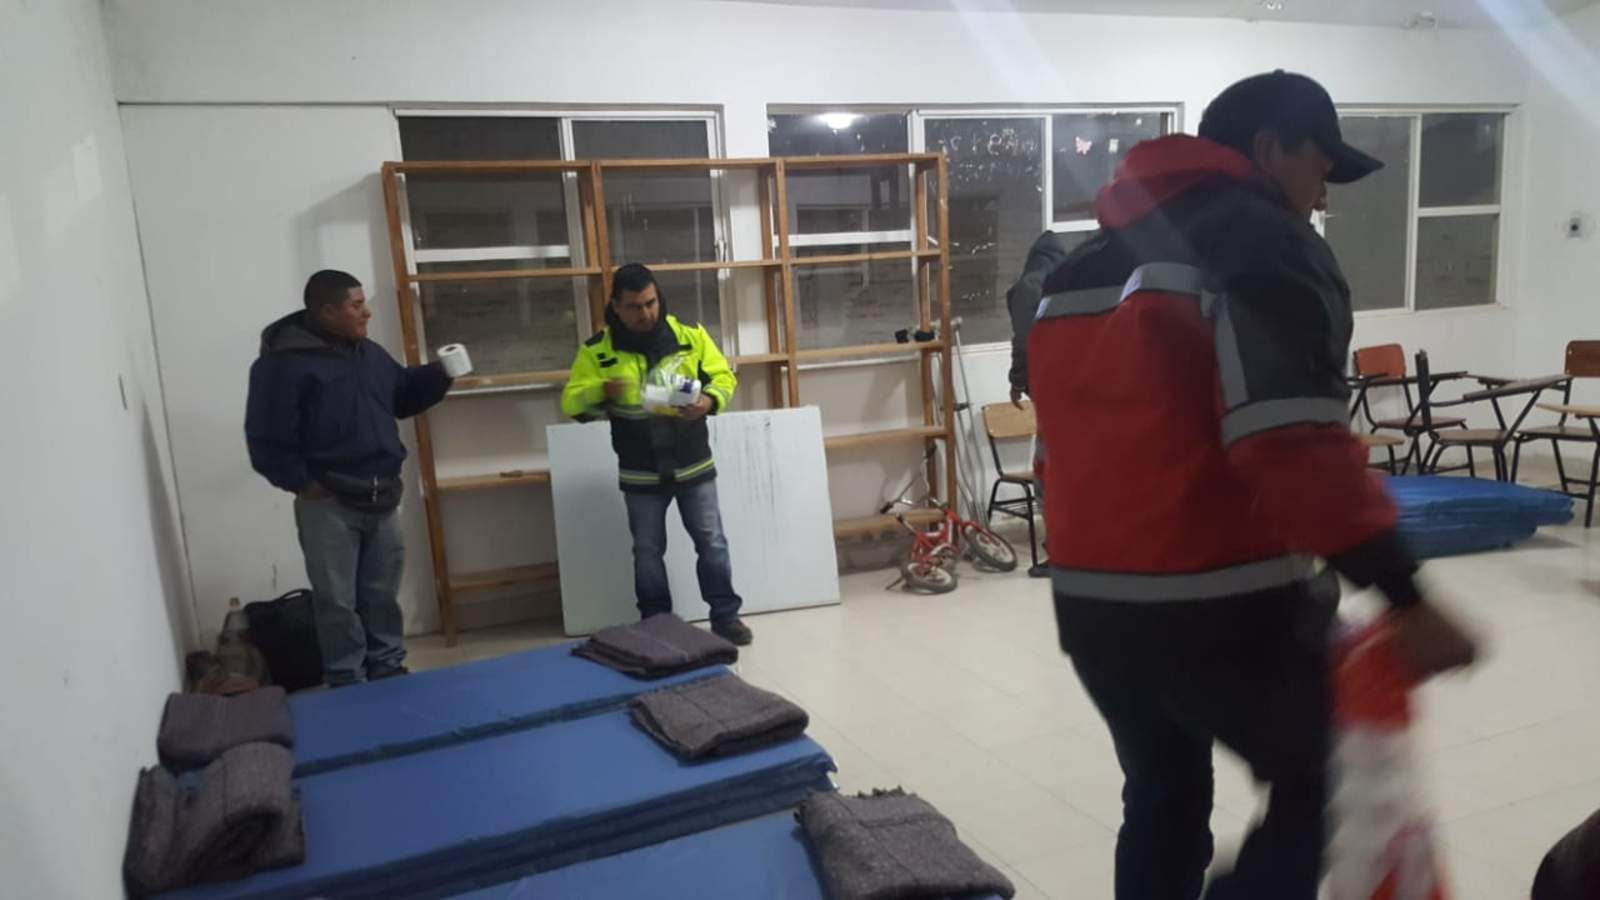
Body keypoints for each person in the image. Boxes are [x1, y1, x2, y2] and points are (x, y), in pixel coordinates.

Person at [1027, 71, 1480, 900]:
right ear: (1270, 147)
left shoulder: (1079, 268)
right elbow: (1292, 441)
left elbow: (1057, 450)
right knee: (1335, 784)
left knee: (1162, 799)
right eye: (1321, 170)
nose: (1322, 198)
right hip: (1219, 600)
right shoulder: (1264, 241)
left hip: (1093, 610)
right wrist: (1406, 594)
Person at [245, 269, 453, 687]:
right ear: (327, 312)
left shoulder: (368, 354)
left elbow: (401, 395)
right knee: (337, 601)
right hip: (328, 502)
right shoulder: (282, 365)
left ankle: (388, 667)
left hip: (382, 495)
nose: (367, 313)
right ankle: (346, 678)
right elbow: (265, 436)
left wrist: (441, 373)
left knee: (381, 594)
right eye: (357, 306)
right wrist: (303, 483)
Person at [560, 263, 752, 645]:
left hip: (693, 463)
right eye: (634, 307)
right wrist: (601, 390)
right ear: (616, 306)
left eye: (650, 303)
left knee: (712, 542)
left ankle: (726, 618)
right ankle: (657, 625)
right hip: (640, 471)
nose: (645, 313)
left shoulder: (690, 336)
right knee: (647, 552)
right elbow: (571, 402)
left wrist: (709, 400)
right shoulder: (597, 352)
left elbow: (723, 377)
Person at [1004, 230, 1070, 578]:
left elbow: (1024, 340)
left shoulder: (1029, 287)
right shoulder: (1073, 282)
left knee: (1048, 473)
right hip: (1085, 390)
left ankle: (1059, 553)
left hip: (1050, 390)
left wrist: (1018, 381)